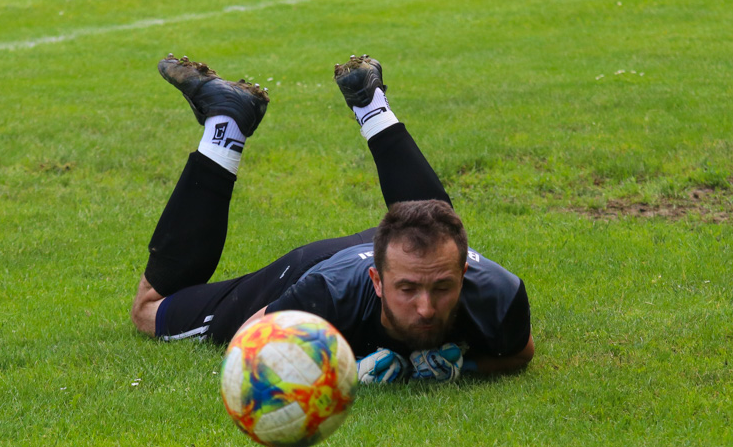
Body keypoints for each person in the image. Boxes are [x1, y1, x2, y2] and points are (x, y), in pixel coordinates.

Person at [131, 54, 534, 382]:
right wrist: (345, 372)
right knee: (148, 310)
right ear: (377, 280)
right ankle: (226, 126)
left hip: (405, 248)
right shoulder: (324, 293)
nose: (427, 309)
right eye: (408, 290)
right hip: (314, 267)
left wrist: (459, 368)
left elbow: (520, 353)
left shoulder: (499, 295)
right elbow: (247, 345)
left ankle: (371, 106)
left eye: (443, 287)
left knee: (433, 226)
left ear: (464, 273)